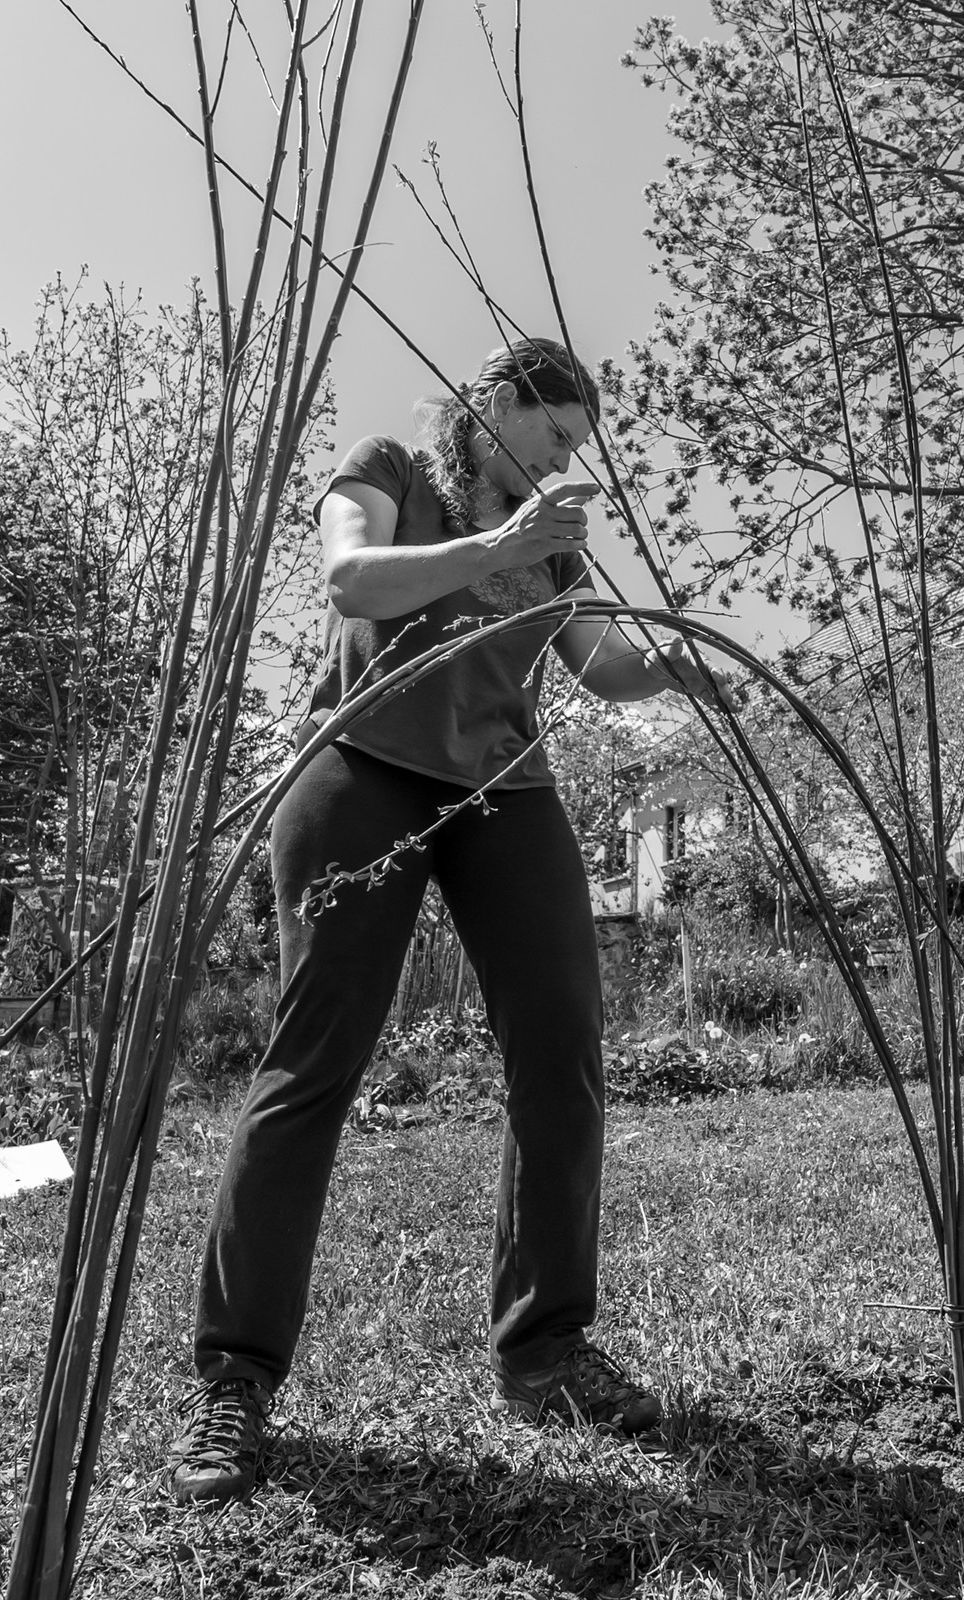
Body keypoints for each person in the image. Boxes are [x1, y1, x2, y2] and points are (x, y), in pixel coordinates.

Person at [169, 336, 728, 1502]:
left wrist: (668, 667)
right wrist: (497, 545)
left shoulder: (554, 548)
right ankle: (235, 1374)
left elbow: (599, 665)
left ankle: (546, 1348)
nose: (565, 459)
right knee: (312, 1058)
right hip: (362, 764)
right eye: (552, 433)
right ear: (491, 407)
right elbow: (351, 582)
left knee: (564, 1042)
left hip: (502, 790)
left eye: (578, 444)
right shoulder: (393, 469)